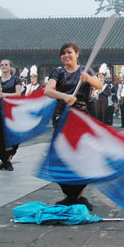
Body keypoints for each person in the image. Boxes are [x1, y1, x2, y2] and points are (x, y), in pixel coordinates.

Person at [44, 42, 103, 207]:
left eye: (69, 52)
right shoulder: (58, 72)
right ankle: (71, 194)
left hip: (81, 116)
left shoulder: (85, 70)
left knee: (82, 155)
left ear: (77, 54)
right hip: (61, 116)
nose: (66, 56)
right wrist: (64, 96)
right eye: (63, 53)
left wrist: (88, 78)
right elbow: (48, 91)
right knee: (63, 156)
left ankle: (79, 194)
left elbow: (99, 85)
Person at [0, 59, 22, 170]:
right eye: (2, 65)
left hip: (11, 111)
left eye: (6, 65)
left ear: (10, 67)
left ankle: (8, 160)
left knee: (10, 137)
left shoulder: (15, 80)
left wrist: (5, 94)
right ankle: (4, 160)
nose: (4, 66)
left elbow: (18, 94)